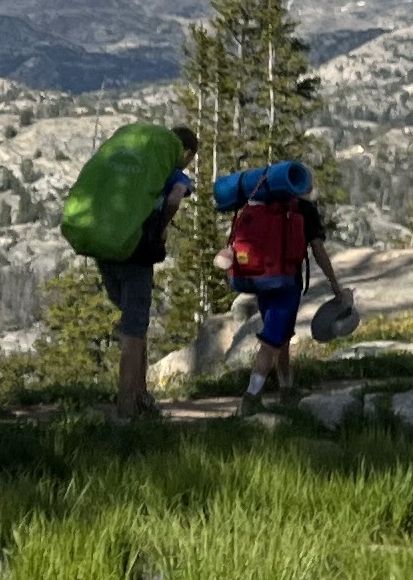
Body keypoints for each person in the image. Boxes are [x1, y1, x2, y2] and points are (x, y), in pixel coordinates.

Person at [96, 124, 200, 421]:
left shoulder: (136, 164)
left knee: (132, 320)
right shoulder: (173, 172)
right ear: (186, 153)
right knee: (134, 328)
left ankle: (141, 393)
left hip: (107, 245)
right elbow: (175, 198)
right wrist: (161, 227)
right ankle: (126, 407)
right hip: (137, 251)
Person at [218, 166, 340, 410]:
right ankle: (251, 397)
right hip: (286, 282)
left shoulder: (260, 203)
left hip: (259, 280)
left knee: (281, 335)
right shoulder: (303, 209)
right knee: (273, 337)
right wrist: (334, 284)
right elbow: (318, 250)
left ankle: (287, 388)